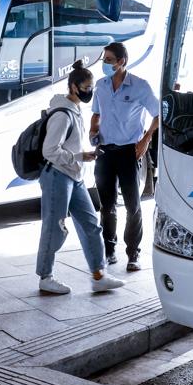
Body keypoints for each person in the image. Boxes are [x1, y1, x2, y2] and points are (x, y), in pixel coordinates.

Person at [37, 61, 125, 295]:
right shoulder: (63, 115)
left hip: (73, 176)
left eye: (92, 86)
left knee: (91, 226)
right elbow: (49, 151)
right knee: (54, 227)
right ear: (73, 87)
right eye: (86, 87)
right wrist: (80, 156)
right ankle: (46, 277)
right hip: (57, 175)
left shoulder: (76, 110)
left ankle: (99, 275)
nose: (90, 91)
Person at [90, 42, 159, 272]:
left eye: (109, 60)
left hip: (130, 152)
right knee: (107, 206)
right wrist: (93, 130)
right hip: (105, 152)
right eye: (104, 59)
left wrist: (146, 138)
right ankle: (109, 251)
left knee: (133, 206)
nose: (105, 64)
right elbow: (96, 114)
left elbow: (160, 115)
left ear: (122, 61)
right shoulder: (100, 86)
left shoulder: (140, 86)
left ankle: (133, 254)